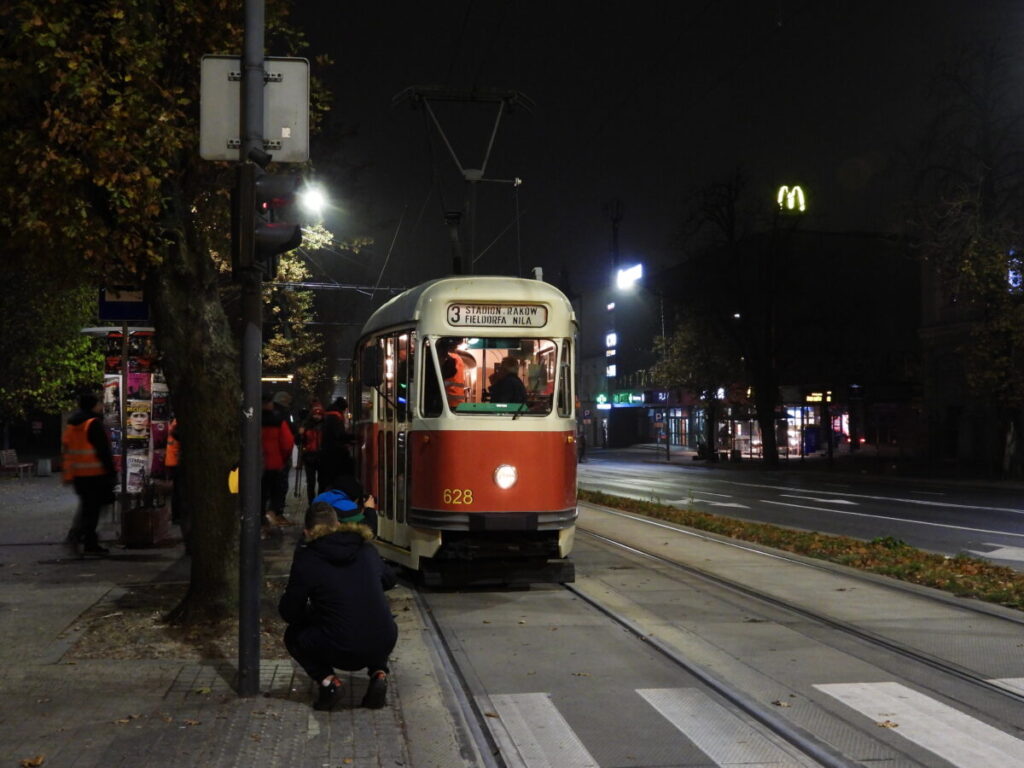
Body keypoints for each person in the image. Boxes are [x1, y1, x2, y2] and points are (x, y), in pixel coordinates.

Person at [279, 500, 398, 711]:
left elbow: (289, 612)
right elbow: (389, 580)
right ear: (337, 525)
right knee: (372, 618)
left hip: (342, 647)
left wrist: (311, 612)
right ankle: (379, 674)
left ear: (307, 532)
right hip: (385, 639)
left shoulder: (308, 558)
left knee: (293, 636)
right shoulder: (365, 548)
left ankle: (329, 682)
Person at [62, 392, 116, 556]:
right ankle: (82, 539)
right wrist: (111, 471)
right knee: (92, 511)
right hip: (96, 474)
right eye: (99, 403)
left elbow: (67, 451)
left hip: (79, 475)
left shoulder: (72, 425)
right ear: (93, 405)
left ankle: (84, 539)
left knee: (87, 508)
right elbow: (103, 451)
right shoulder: (93, 424)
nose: (101, 406)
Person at [262, 392, 296, 527]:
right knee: (278, 489)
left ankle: (261, 520)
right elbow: (287, 442)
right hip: (275, 462)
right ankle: (273, 514)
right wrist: (284, 458)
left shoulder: (250, 417)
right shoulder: (279, 419)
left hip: (256, 464)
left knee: (262, 492)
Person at [320, 397, 355, 491]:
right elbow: (339, 435)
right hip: (334, 453)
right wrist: (353, 437)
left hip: (326, 451)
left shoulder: (328, 414)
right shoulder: (335, 416)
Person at [298, 402, 325, 504]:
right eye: (315, 414)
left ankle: (320, 502)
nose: (317, 416)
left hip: (322, 457)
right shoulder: (306, 425)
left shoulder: (325, 425)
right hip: (309, 457)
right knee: (311, 482)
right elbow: (299, 441)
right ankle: (312, 502)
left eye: (319, 414)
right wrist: (300, 434)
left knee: (322, 482)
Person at [438, 338, 467, 409]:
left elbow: (440, 377)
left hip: (449, 402)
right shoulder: (458, 359)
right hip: (457, 402)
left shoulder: (450, 359)